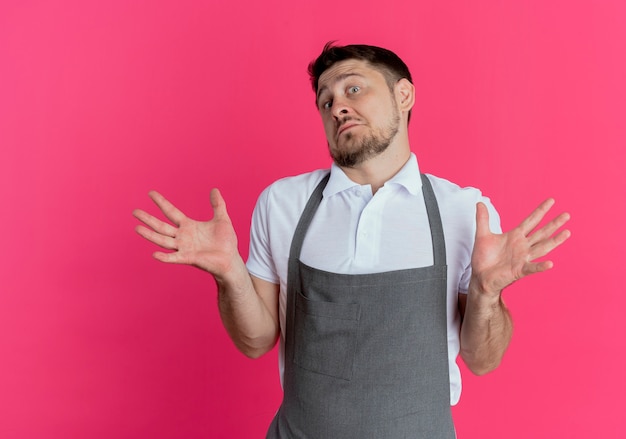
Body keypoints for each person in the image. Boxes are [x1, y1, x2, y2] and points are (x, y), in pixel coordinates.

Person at [133, 43, 570, 438]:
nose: (337, 106)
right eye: (326, 101)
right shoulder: (283, 203)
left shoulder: (465, 212)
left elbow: (482, 359)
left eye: (353, 90)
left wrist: (486, 292)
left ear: (404, 95)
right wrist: (229, 274)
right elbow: (256, 340)